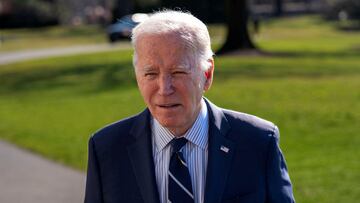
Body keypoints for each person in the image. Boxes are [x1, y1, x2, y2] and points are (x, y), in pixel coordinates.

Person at [84, 10, 295, 203]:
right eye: (151, 74)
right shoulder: (106, 149)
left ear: (207, 75)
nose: (164, 88)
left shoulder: (258, 142)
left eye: (178, 72)